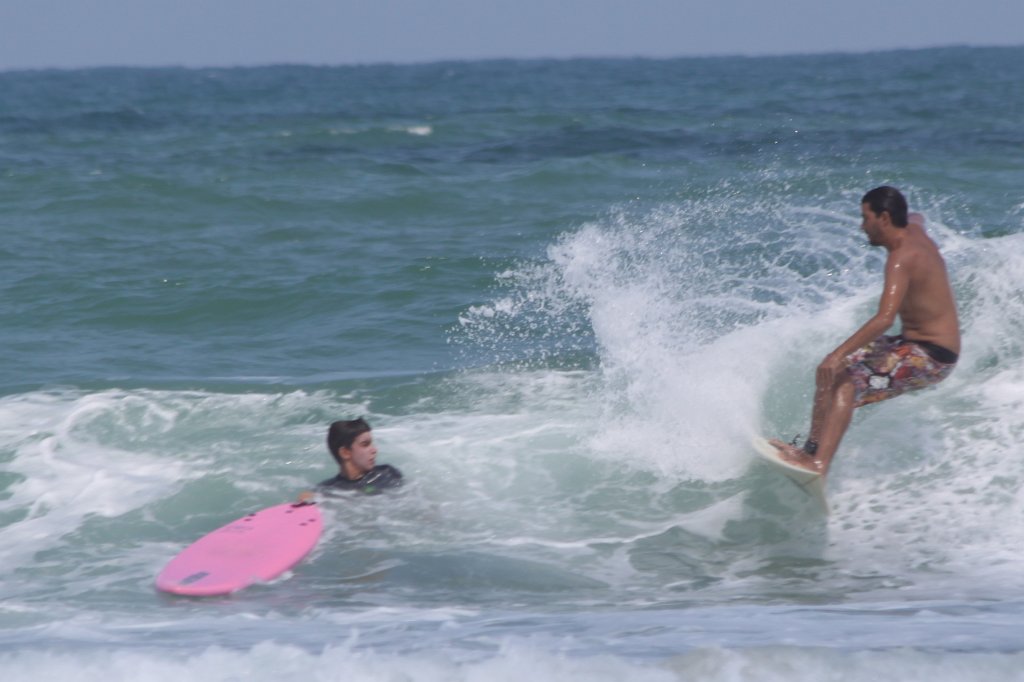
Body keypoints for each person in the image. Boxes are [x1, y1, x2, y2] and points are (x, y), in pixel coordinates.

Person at [770, 186, 960, 475]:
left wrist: (836, 354)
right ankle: (810, 450)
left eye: (865, 218)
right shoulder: (914, 230)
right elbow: (918, 217)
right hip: (911, 344)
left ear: (884, 218)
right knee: (832, 372)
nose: (862, 227)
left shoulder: (901, 258)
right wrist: (834, 360)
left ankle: (819, 463)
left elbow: (884, 318)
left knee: (847, 379)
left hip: (933, 357)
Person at [317, 418, 403, 494]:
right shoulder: (327, 490)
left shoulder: (387, 474)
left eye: (371, 444)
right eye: (365, 444)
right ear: (345, 453)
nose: (374, 450)